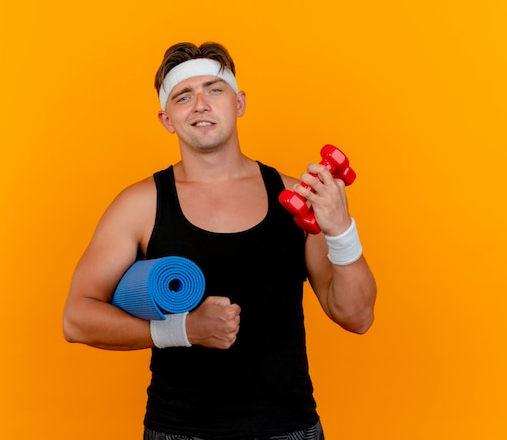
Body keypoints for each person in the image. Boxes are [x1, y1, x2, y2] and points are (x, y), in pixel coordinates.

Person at [63, 41, 377, 440]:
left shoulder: (295, 196)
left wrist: (341, 231)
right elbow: (76, 318)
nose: (200, 104)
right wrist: (185, 330)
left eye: (214, 89)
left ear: (239, 102)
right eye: (184, 96)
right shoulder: (140, 205)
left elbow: (357, 316)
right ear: (167, 119)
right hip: (180, 431)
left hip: (289, 428)